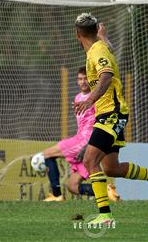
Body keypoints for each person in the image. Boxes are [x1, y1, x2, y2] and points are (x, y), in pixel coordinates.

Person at [73, 13, 148, 225]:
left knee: (90, 161)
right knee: (111, 168)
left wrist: (89, 100)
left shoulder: (96, 51)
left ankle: (105, 215)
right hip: (108, 113)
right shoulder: (100, 47)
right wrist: (105, 37)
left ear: (78, 35)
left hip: (112, 113)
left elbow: (106, 76)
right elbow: (107, 50)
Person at [40, 66, 120, 202]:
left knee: (46, 154)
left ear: (91, 80)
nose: (83, 82)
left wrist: (89, 144)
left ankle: (56, 194)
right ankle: (107, 192)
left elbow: (99, 121)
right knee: (72, 186)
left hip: (86, 140)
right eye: (80, 79)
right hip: (81, 138)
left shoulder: (95, 97)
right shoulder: (77, 98)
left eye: (86, 79)